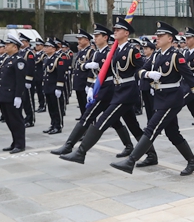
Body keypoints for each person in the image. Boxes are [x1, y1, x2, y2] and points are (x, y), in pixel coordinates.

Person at [109, 21, 194, 175]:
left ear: (170, 38)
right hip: (160, 98)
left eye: (161, 36)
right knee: (172, 133)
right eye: (158, 35)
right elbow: (139, 72)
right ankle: (192, 162)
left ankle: (131, 161)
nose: (157, 38)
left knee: (151, 128)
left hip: (172, 99)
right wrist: (148, 74)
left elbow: (190, 77)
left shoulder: (176, 56)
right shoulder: (155, 55)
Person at [59, 17, 145, 165]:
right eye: (115, 30)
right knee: (133, 125)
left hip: (126, 92)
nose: (115, 32)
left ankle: (80, 153)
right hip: (118, 90)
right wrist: (93, 86)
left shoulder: (132, 50)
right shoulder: (115, 50)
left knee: (102, 121)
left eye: (118, 30)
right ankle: (151, 154)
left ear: (126, 33)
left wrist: (146, 76)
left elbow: (142, 67)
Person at [0, 34, 27, 154]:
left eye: (8, 45)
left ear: (15, 47)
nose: (5, 46)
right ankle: (15, 141)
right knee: (9, 120)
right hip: (4, 95)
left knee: (16, 120)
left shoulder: (19, 60)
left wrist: (18, 96)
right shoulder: (7, 59)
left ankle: (20, 144)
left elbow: (20, 80)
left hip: (12, 96)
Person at [42, 38, 67, 134]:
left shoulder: (58, 59)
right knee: (51, 107)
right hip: (48, 87)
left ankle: (58, 125)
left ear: (53, 49)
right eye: (45, 46)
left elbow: (61, 74)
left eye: (48, 47)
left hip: (55, 87)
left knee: (57, 108)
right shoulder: (46, 59)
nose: (45, 48)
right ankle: (53, 124)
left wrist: (59, 88)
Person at [72, 29, 95, 119]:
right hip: (79, 82)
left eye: (81, 39)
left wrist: (89, 84)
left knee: (87, 106)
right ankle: (83, 119)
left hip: (84, 82)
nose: (79, 41)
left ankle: (88, 124)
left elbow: (91, 69)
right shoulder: (81, 51)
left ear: (87, 40)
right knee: (81, 104)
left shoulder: (90, 52)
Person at [18, 33, 36, 127]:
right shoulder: (21, 52)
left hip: (27, 80)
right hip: (21, 80)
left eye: (22, 41)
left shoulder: (29, 53)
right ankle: (26, 117)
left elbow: (30, 67)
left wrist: (28, 80)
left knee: (29, 100)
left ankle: (30, 119)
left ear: (26, 42)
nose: (20, 43)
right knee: (24, 100)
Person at [34, 38, 47, 112]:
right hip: (36, 76)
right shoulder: (36, 54)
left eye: (38, 45)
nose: (36, 46)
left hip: (41, 75)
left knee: (42, 92)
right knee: (38, 91)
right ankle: (40, 105)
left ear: (42, 46)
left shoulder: (43, 55)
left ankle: (43, 105)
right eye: (36, 45)